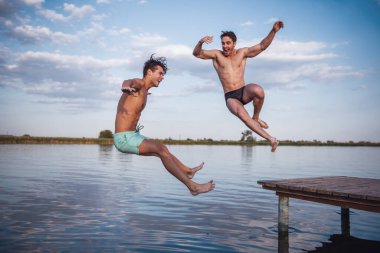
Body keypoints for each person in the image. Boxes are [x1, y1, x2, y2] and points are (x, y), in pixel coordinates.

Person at [114, 55, 215, 196]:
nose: (162, 77)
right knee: (160, 149)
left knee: (163, 150)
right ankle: (193, 187)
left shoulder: (144, 90)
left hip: (132, 135)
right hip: (124, 138)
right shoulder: (139, 84)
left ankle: (188, 171)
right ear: (149, 72)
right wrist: (126, 87)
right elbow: (129, 81)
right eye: (160, 73)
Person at [193, 21, 284, 152]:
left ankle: (256, 117)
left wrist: (273, 31)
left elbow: (262, 46)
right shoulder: (216, 55)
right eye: (223, 43)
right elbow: (197, 53)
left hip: (243, 91)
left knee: (259, 90)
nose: (225, 46)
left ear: (234, 43)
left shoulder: (242, 53)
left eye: (228, 43)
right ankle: (272, 140)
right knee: (244, 116)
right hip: (231, 97)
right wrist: (200, 42)